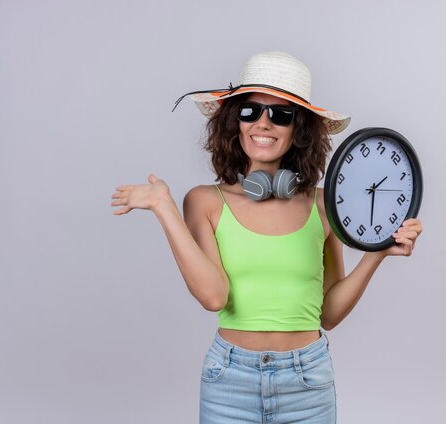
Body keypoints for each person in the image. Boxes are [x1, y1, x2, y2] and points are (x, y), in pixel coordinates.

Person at [110, 51, 422, 423]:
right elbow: (213, 297)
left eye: (281, 114)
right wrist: (165, 208)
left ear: (298, 129)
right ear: (233, 123)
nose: (263, 124)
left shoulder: (325, 206)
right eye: (249, 111)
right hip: (229, 380)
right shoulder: (204, 202)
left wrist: (377, 254)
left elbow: (330, 314)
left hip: (308, 381)